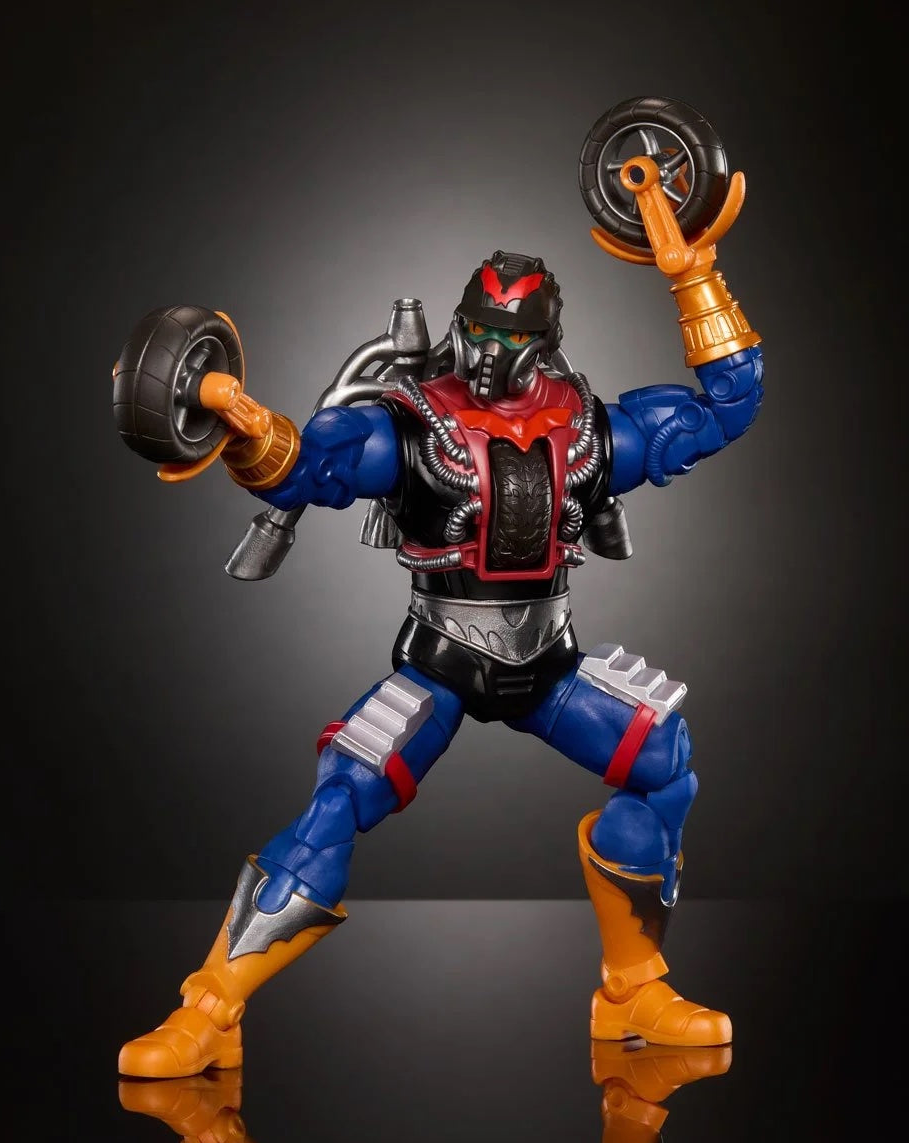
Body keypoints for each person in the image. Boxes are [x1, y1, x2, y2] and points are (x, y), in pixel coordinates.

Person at [116, 190, 762, 1080]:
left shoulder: (586, 427)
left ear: (545, 341)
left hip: (549, 664)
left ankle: (633, 991)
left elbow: (727, 407)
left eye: (510, 337)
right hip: (442, 662)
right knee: (338, 801)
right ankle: (209, 1011)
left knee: (664, 764)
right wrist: (244, 425)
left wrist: (694, 275)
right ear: (459, 326)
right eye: (478, 331)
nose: (489, 352)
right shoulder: (414, 422)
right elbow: (309, 469)